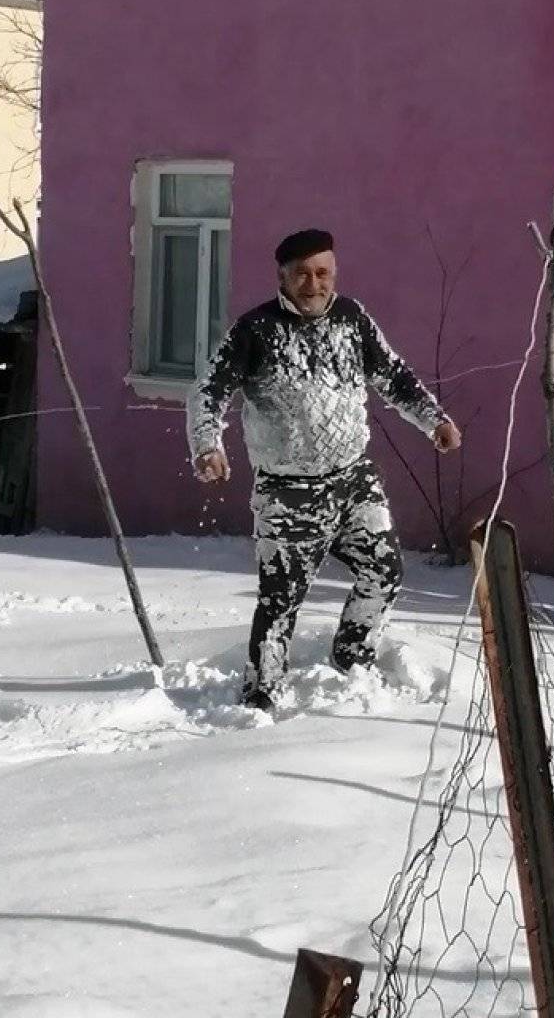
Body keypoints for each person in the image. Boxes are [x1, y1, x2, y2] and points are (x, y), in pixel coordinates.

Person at [187, 229, 461, 711]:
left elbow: (393, 376)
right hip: (287, 493)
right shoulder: (256, 330)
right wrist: (208, 445)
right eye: (302, 275)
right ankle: (261, 695)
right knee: (280, 601)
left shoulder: (353, 319)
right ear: (283, 278)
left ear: (334, 273)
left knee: (384, 572)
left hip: (353, 481)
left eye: (322, 273)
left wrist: (433, 419)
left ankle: (352, 660)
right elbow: (208, 392)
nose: (314, 284)